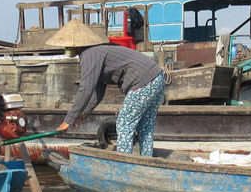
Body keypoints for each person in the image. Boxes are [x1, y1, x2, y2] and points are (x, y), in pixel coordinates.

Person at [47, 18, 166, 157]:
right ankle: (146, 160)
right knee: (145, 126)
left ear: (75, 46)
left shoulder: (89, 55)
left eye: (67, 47)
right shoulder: (96, 53)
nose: (66, 50)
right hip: (157, 77)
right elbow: (98, 89)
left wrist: (68, 121)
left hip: (143, 82)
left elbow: (85, 89)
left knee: (124, 123)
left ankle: (124, 163)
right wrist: (84, 113)